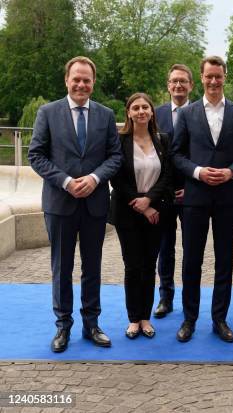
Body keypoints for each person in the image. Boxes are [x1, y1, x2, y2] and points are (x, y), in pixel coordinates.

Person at [28, 56, 122, 352]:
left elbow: (115, 156)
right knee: (62, 267)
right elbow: (36, 155)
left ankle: (91, 324)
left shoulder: (106, 115)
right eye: (76, 79)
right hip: (60, 202)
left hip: (94, 203)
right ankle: (63, 326)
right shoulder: (48, 112)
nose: (81, 84)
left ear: (93, 83)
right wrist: (66, 181)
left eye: (87, 80)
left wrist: (95, 178)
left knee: (92, 267)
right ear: (67, 80)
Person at [171, 56, 233, 343]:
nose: (213, 81)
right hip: (195, 197)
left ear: (225, 77)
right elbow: (176, 155)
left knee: (224, 260)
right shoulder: (187, 113)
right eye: (209, 76)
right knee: (191, 261)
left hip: (228, 198)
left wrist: (231, 172)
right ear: (202, 78)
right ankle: (189, 319)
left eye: (218, 76)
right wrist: (197, 172)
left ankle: (219, 319)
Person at [109, 93, 173, 339]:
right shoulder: (120, 140)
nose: (141, 111)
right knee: (132, 265)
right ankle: (133, 319)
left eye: (145, 107)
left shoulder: (162, 139)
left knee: (149, 266)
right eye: (135, 107)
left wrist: (151, 202)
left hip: (156, 213)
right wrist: (141, 203)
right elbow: (117, 178)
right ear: (128, 112)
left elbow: (167, 176)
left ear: (152, 112)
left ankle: (145, 317)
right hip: (128, 212)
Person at [153, 63, 194, 319]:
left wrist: (190, 187)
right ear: (168, 85)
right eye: (173, 81)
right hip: (164, 194)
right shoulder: (155, 115)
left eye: (183, 81)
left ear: (191, 85)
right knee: (165, 248)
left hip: (192, 193)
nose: (178, 85)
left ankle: (190, 299)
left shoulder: (201, 113)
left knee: (191, 250)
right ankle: (165, 298)